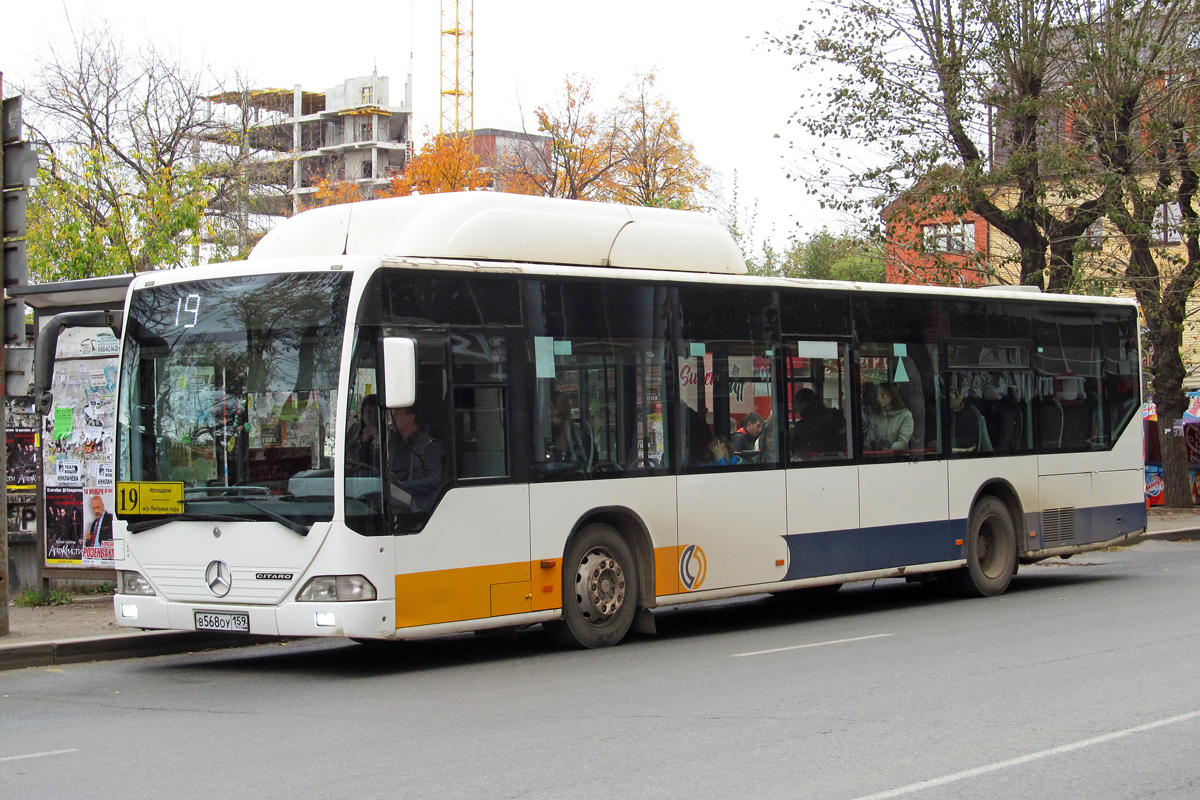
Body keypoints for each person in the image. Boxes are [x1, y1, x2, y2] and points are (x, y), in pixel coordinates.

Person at [387, 405, 446, 513]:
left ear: (411, 417)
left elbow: (434, 479)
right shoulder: (392, 443)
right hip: (390, 501)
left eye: (397, 413)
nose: (392, 417)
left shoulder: (429, 446)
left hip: (414, 507)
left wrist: (404, 485)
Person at [547, 392, 596, 469]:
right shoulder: (545, 435)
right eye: (551, 417)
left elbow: (591, 466)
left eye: (558, 416)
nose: (554, 420)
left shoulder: (581, 438)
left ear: (565, 415)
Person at [866, 382, 914, 451]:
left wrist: (889, 447)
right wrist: (875, 445)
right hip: (878, 458)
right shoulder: (875, 417)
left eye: (882, 395)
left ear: (892, 395)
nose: (878, 398)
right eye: (876, 395)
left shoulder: (905, 415)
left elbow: (903, 442)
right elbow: (869, 440)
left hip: (899, 458)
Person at [950, 385, 994, 453]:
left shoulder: (970, 415)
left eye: (950, 398)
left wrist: (949, 442)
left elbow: (969, 440)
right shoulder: (950, 414)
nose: (948, 401)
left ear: (960, 398)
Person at [348, 394, 380, 464]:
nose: (372, 416)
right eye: (369, 411)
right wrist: (363, 442)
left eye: (376, 412)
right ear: (362, 414)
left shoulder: (386, 434)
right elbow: (347, 455)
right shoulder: (354, 430)